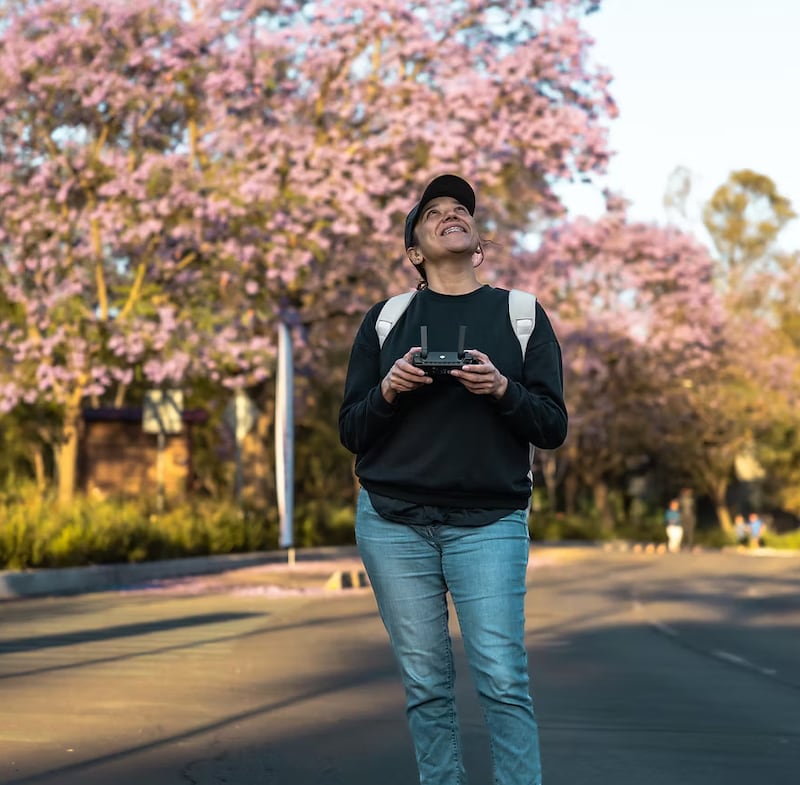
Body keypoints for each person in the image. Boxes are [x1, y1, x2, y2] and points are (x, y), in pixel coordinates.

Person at [338, 174, 568, 785]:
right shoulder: (385, 321)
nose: (450, 214)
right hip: (392, 523)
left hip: (489, 523)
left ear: (478, 242)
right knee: (426, 686)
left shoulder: (520, 315)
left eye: (460, 209)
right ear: (414, 251)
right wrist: (388, 390)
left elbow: (551, 425)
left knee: (501, 677)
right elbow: (351, 429)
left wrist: (502, 389)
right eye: (433, 211)